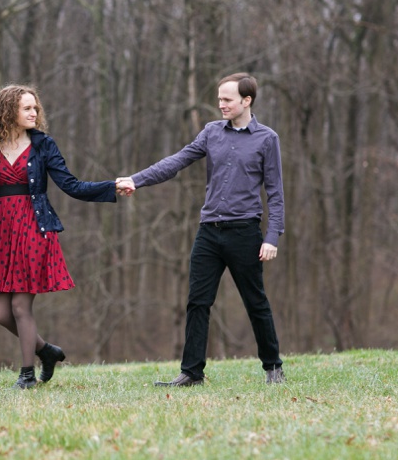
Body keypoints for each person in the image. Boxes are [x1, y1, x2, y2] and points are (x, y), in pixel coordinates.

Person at [116, 73, 285, 386]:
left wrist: (272, 236)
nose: (221, 104)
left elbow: (275, 194)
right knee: (197, 301)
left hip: (245, 232)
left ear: (246, 101)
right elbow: (177, 161)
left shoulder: (267, 139)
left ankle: (273, 368)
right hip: (209, 231)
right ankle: (192, 372)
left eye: (227, 100)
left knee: (255, 301)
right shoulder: (211, 132)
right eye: (219, 98)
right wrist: (136, 179)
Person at [0, 84, 118, 389]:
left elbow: (72, 185)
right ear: (9, 111)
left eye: (35, 108)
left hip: (35, 230)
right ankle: (46, 351)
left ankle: (27, 376)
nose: (34, 113)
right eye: (27, 108)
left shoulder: (43, 145)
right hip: (3, 234)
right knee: (0, 313)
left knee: (21, 307)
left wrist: (111, 186)